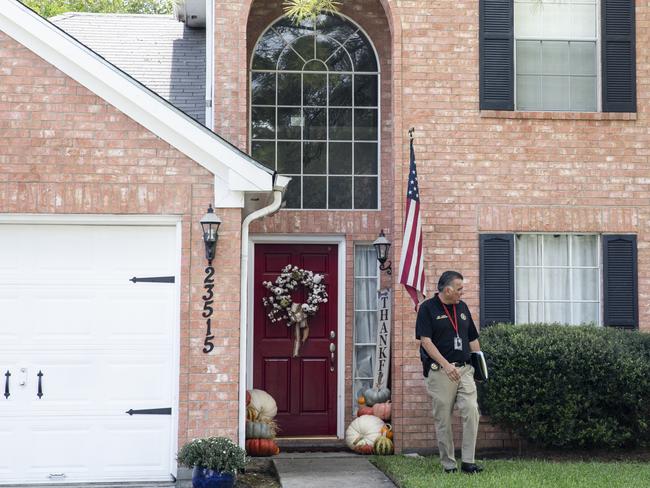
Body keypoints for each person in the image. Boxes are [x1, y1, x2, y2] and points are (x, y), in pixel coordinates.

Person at [416, 270, 483, 474]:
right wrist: (446, 364)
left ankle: (469, 462)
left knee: (471, 410)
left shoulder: (462, 307)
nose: (462, 293)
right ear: (448, 290)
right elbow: (425, 342)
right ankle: (449, 464)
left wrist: (479, 365)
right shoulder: (427, 308)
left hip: (464, 370)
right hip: (441, 372)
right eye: (460, 289)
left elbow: (472, 338)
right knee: (443, 418)